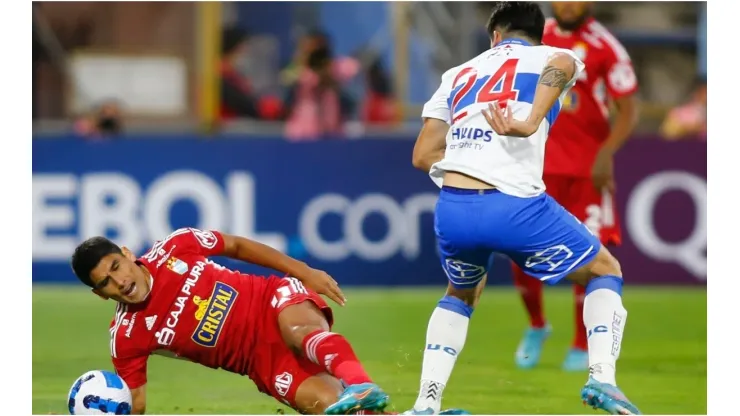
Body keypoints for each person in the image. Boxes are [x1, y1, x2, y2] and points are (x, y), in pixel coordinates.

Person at [409, 2, 640, 415]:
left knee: (460, 294)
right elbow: (563, 66)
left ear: (494, 34)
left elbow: (422, 154)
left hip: (454, 208)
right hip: (514, 204)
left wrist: (466, 163)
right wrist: (532, 118)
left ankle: (426, 404)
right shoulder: (554, 54)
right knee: (605, 270)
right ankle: (602, 380)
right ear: (539, 32)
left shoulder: (457, 73)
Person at [70, 227, 390, 415]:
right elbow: (134, 403)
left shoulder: (175, 246)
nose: (119, 282)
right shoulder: (126, 337)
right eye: (105, 283)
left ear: (126, 254)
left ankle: (361, 384)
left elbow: (237, 246)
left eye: (116, 266)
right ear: (100, 295)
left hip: (271, 301)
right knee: (331, 405)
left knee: (301, 333)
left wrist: (304, 272)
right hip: (261, 363)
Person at [510, 1, 640, 372]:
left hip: (585, 172)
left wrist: (606, 153)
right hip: (536, 166)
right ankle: (537, 325)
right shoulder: (537, 38)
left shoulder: (606, 47)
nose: (568, 3)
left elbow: (629, 110)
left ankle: (581, 343)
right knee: (520, 251)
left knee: (588, 254)